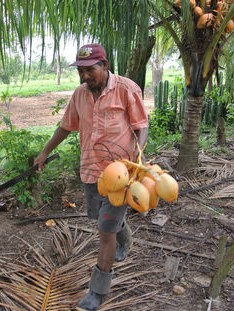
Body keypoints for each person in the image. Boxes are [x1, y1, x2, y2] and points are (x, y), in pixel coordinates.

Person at [34, 43, 148, 311]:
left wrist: (138, 159)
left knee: (104, 230)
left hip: (121, 174)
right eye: (80, 71)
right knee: (100, 219)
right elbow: (66, 127)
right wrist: (44, 152)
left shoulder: (126, 89)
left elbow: (141, 125)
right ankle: (125, 236)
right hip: (91, 171)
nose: (85, 76)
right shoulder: (79, 95)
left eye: (90, 70)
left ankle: (97, 291)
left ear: (104, 65)